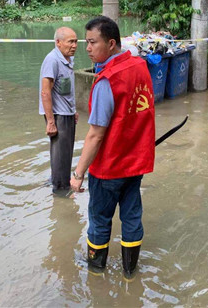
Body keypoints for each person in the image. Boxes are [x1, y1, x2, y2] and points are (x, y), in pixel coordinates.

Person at [70, 16, 155, 278]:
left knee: (99, 220)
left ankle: (96, 274)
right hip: (135, 163)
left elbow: (96, 134)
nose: (87, 48)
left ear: (111, 43)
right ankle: (130, 272)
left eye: (92, 42)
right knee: (131, 217)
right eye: (86, 42)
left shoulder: (107, 80)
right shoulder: (140, 66)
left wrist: (78, 173)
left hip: (109, 167)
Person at [39, 27, 79, 194]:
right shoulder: (52, 60)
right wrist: (50, 121)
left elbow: (67, 90)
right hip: (58, 115)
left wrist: (74, 110)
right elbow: (45, 91)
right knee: (61, 154)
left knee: (66, 152)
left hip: (67, 113)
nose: (75, 45)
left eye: (76, 41)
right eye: (71, 41)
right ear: (58, 42)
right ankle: (61, 191)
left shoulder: (67, 59)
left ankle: (59, 180)